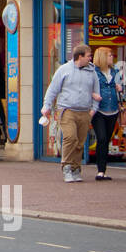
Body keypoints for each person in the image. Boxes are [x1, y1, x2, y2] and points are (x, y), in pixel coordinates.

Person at [41, 43, 101, 183]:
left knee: (80, 142)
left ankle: (76, 168)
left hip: (85, 111)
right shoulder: (64, 70)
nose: (90, 58)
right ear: (80, 57)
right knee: (70, 138)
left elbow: (97, 92)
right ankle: (66, 167)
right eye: (88, 56)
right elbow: (53, 89)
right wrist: (46, 105)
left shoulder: (92, 72)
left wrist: (93, 109)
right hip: (67, 109)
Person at [90, 46, 125, 181]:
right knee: (102, 138)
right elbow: (88, 88)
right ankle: (100, 170)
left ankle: (103, 170)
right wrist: (94, 95)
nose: (112, 57)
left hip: (113, 109)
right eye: (110, 55)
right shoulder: (94, 72)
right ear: (103, 57)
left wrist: (120, 88)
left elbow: (122, 88)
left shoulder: (115, 72)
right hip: (99, 109)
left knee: (106, 140)